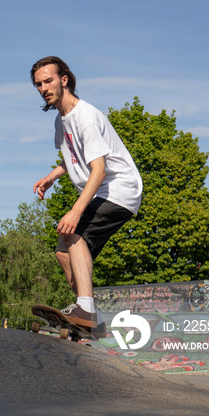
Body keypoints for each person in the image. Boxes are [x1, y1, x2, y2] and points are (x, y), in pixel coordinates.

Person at [31, 56, 142, 335]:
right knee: (63, 251)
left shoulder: (86, 117)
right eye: (38, 84)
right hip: (102, 191)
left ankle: (86, 310)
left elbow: (99, 169)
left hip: (119, 190)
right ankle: (88, 318)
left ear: (64, 80)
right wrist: (52, 177)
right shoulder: (61, 121)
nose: (44, 88)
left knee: (75, 230)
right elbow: (73, 159)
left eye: (49, 81)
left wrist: (76, 210)